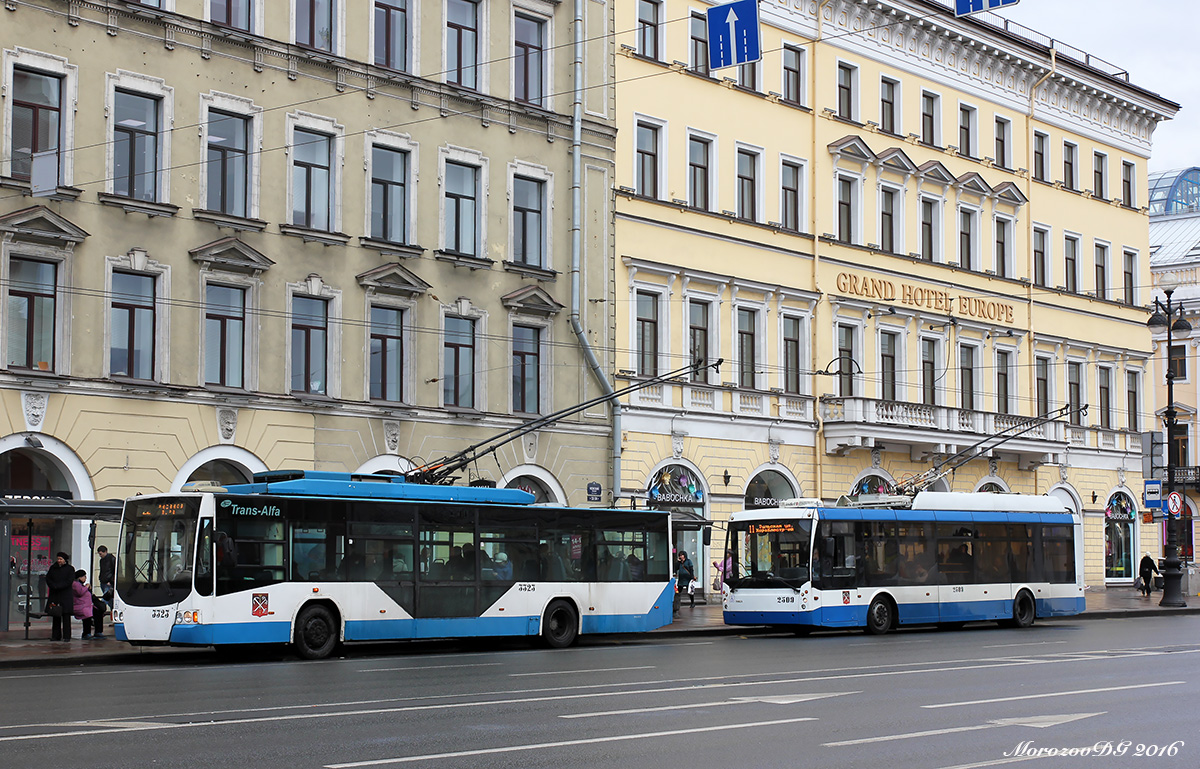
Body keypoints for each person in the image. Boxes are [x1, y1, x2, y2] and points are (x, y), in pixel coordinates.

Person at [45, 552, 75, 641]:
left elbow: (69, 581)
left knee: (66, 617)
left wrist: (59, 586)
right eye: (58, 559)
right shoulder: (53, 568)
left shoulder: (70, 569)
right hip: (55, 595)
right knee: (56, 615)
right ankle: (56, 636)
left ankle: (66, 636)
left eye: (61, 559)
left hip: (65, 595)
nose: (59, 561)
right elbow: (48, 579)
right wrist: (53, 585)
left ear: (65, 560)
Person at [72, 569, 96, 639]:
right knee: (87, 617)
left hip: (86, 606)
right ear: (80, 577)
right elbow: (80, 592)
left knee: (98, 612)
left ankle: (97, 632)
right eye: (84, 576)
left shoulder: (81, 585)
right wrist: (86, 587)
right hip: (80, 606)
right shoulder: (75, 584)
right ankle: (86, 633)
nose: (85, 578)